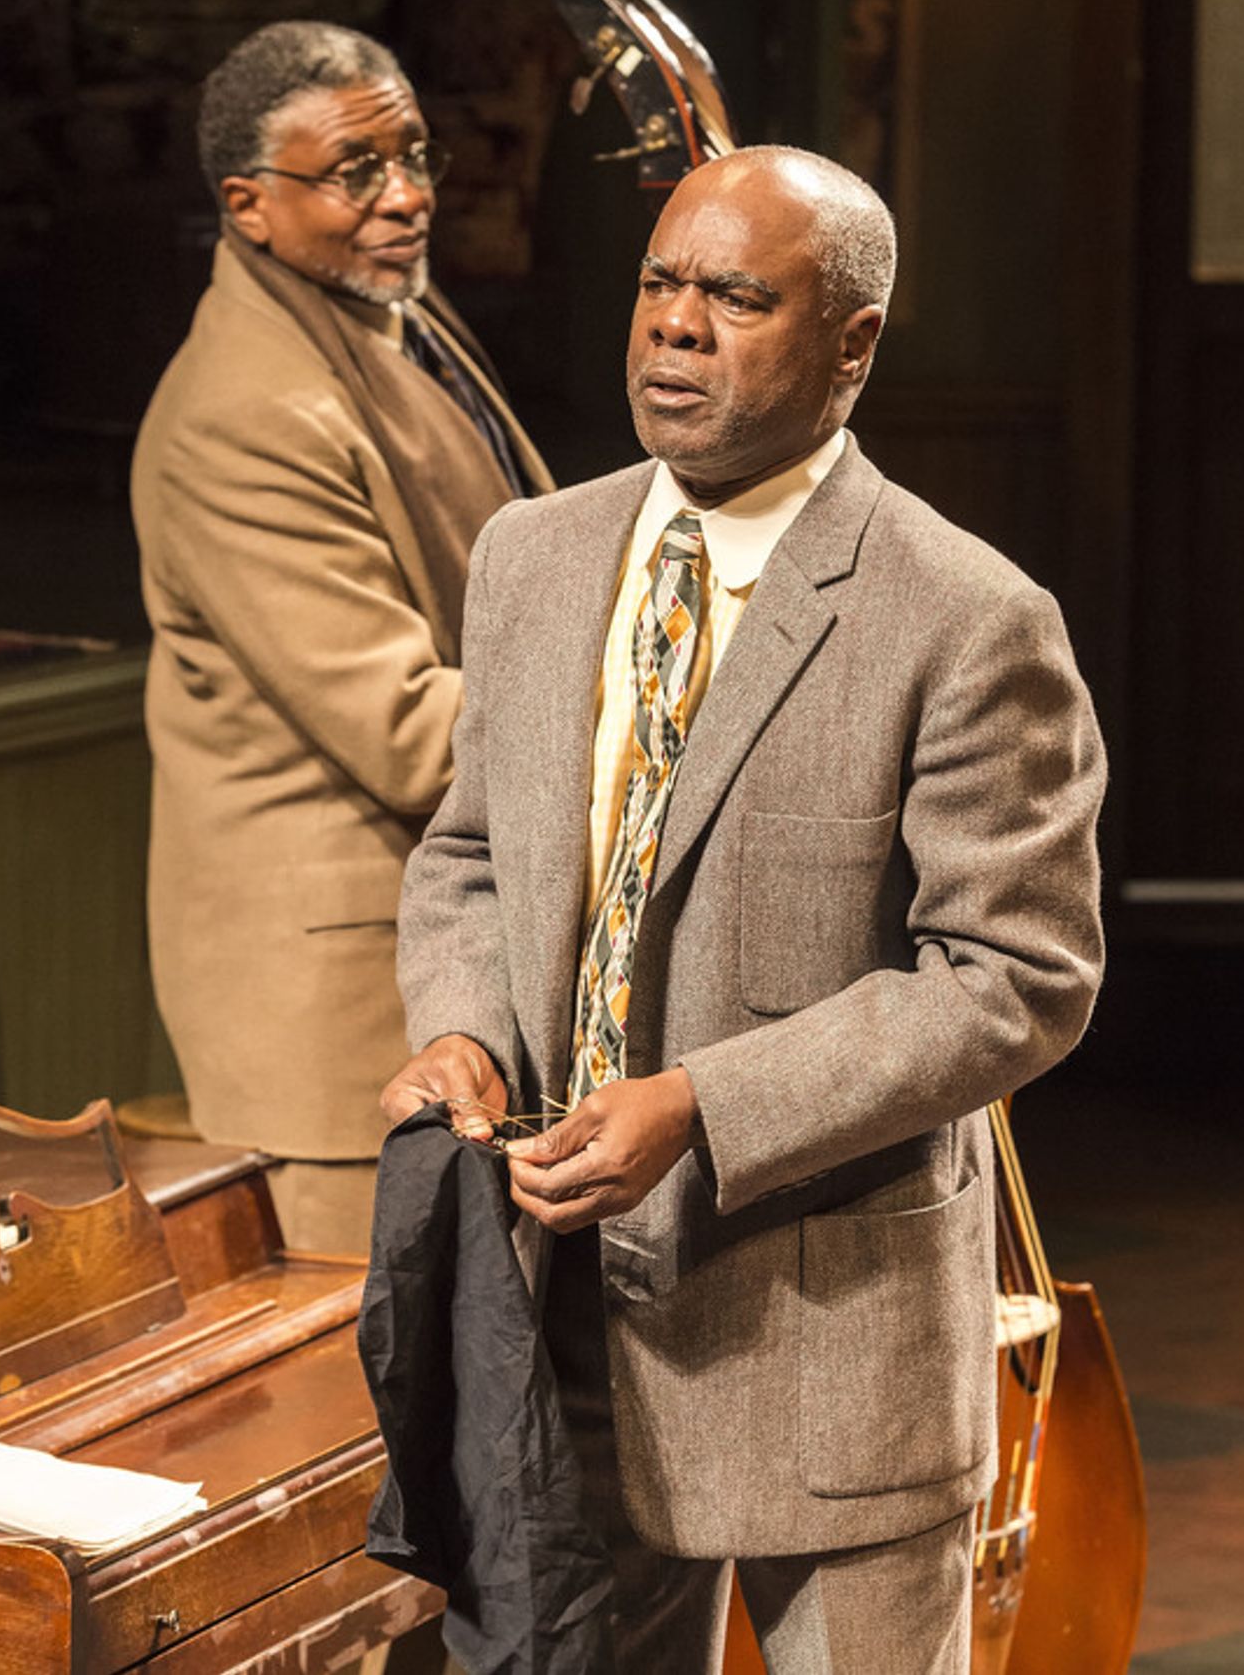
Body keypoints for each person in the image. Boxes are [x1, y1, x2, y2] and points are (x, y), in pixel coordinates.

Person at [381, 146, 1106, 1673]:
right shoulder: (532, 557)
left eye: (736, 296)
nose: (676, 329)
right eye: (659, 284)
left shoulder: (967, 616)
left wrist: (703, 1105)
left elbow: (1014, 975)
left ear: (853, 344)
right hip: (553, 1313)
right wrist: (459, 1030)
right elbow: (467, 855)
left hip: (820, 1334)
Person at [132, 20, 551, 1254]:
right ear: (248, 205)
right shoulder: (243, 413)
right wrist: (649, 722)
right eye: (353, 171)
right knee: (370, 1408)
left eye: (413, 154)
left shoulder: (387, 321)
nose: (406, 196)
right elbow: (404, 728)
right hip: (336, 1009)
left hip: (432, 966)